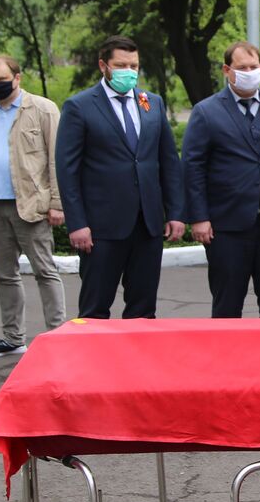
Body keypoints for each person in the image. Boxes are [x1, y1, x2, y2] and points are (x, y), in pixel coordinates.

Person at [56, 35, 185, 319]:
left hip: (147, 224)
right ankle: (94, 363)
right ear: (104, 65)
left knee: (143, 309)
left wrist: (175, 211)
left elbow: (168, 161)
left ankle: (137, 363)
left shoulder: (151, 102)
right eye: (121, 65)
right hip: (101, 228)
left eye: (134, 65)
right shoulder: (80, 106)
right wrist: (77, 223)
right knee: (95, 307)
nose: (129, 71)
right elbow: (67, 170)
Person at [181, 40, 260, 317]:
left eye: (254, 67)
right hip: (227, 227)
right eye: (242, 68)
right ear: (227, 70)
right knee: (228, 305)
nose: (249, 72)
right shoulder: (206, 111)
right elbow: (193, 168)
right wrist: (199, 217)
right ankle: (227, 361)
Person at [0, 55, 68, 357]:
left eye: (2, 80)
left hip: (30, 205)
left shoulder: (42, 108)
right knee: (4, 274)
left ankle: (57, 334)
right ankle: (13, 337)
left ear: (17, 78)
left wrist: (57, 203)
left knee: (45, 270)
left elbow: (56, 158)